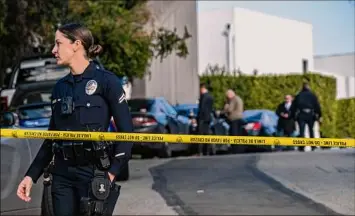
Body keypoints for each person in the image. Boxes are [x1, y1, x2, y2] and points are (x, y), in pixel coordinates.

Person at [16, 23, 134, 216]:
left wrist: (111, 173)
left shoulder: (107, 82)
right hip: (62, 175)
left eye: (58, 44)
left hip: (94, 173)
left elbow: (127, 134)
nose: (54, 50)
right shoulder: (60, 88)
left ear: (76, 44)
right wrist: (30, 176)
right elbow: (51, 139)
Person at [291, 82, 322, 151]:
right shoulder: (312, 95)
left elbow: (293, 106)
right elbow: (317, 106)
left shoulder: (298, 95)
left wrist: (293, 116)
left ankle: (302, 146)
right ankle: (313, 146)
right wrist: (319, 115)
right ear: (308, 87)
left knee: (302, 131)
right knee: (311, 130)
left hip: (301, 114)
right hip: (310, 114)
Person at [196, 82, 214, 156]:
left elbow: (202, 108)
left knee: (200, 135)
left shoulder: (203, 97)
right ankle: (207, 151)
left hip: (202, 118)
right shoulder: (210, 96)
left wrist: (198, 117)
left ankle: (200, 151)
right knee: (207, 134)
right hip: (208, 118)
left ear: (202, 88)